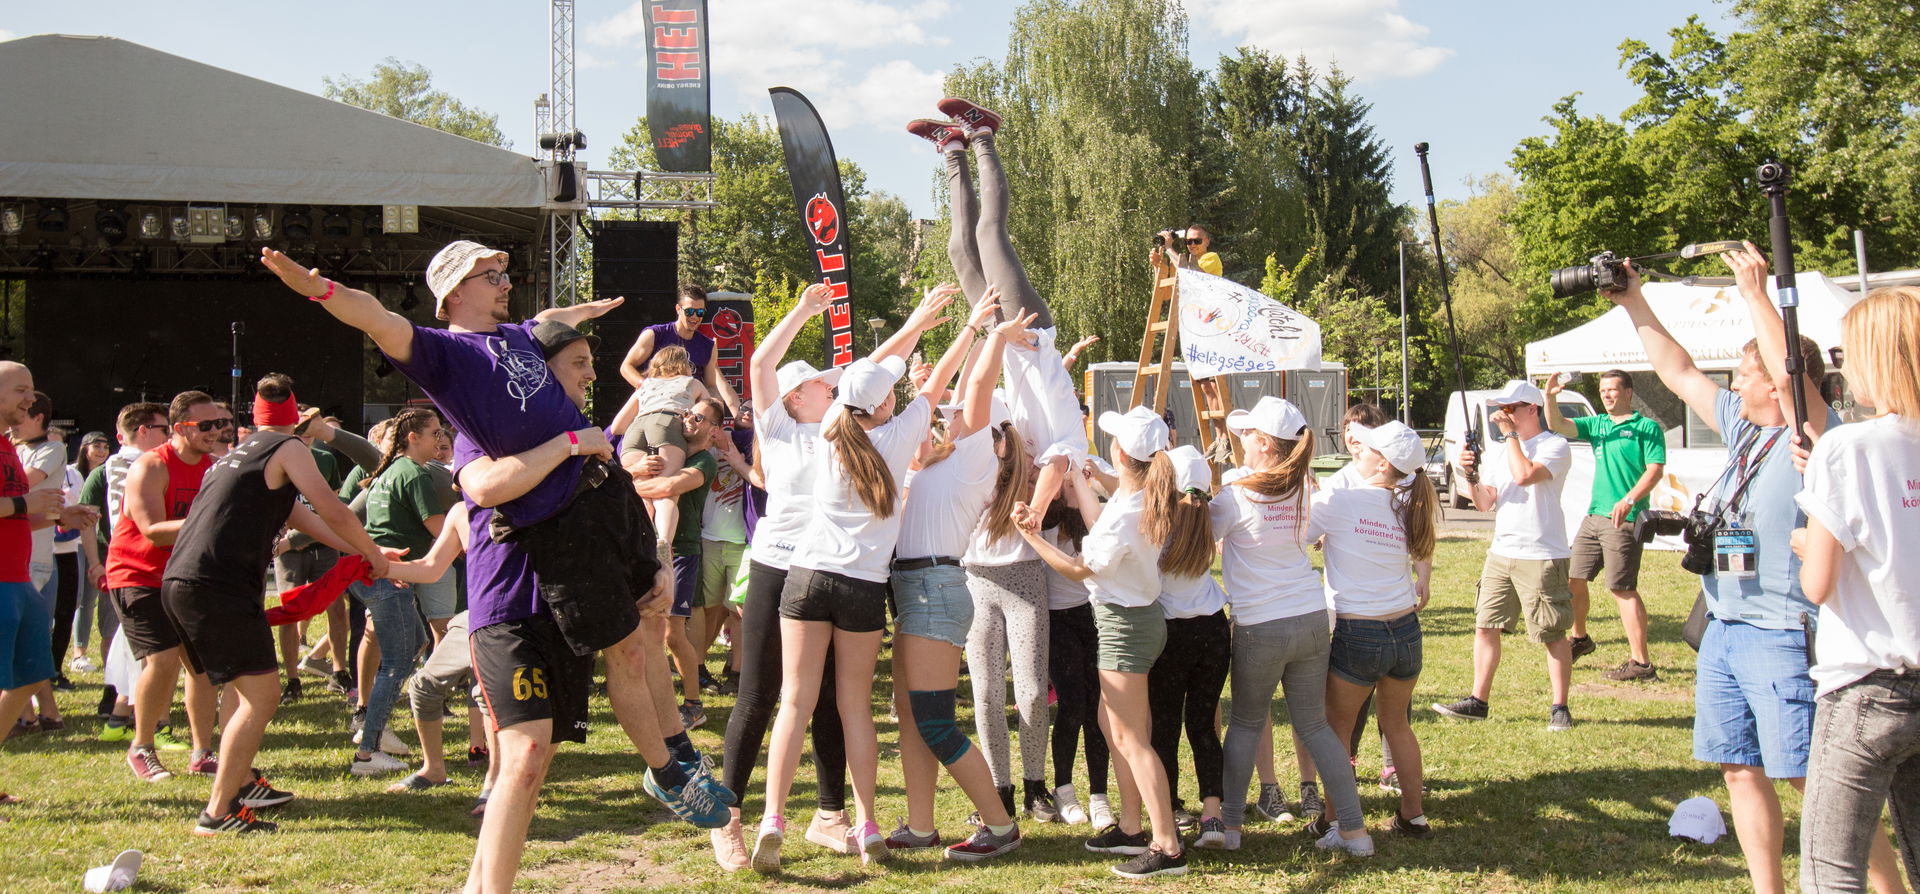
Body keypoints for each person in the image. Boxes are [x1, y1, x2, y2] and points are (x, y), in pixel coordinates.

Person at [261, 242, 728, 894]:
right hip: (528, 545)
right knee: (528, 753)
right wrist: (317, 288)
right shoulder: (443, 353)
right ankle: (659, 773)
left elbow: (555, 316)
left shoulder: (516, 337)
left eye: (507, 273)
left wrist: (590, 310)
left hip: (591, 510)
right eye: (492, 276)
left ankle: (669, 763)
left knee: (629, 647)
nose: (507, 284)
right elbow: (374, 317)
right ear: (453, 291)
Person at [1606, 250, 1891, 894]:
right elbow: (1676, 370)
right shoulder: (1742, 427)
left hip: (1783, 632)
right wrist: (1633, 302)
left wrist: (1754, 294)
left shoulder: (1818, 436)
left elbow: (1793, 384)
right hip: (1725, 630)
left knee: (1810, 777)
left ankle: (1887, 886)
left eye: (1746, 372)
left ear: (1784, 380)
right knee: (1738, 768)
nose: (1734, 383)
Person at [751, 284, 966, 871]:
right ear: (883, 406)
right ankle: (867, 821)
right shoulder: (896, 439)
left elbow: (879, 376)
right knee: (853, 707)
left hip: (805, 575)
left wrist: (914, 327)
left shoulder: (824, 433)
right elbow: (934, 381)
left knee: (793, 702)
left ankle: (772, 818)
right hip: (863, 588)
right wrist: (964, 332)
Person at [163, 389, 395, 834]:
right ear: (300, 428)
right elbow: (334, 509)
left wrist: (372, 552)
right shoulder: (286, 447)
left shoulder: (246, 455)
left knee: (242, 688)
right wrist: (374, 557)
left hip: (191, 583)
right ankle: (219, 812)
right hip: (217, 587)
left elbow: (315, 524)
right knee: (263, 695)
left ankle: (243, 784)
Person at [1015, 406, 1197, 879]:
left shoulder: (1131, 508)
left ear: (1122, 453)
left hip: (1124, 628)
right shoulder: (1139, 498)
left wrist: (1030, 536)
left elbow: (1078, 567)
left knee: (1132, 739)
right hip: (1137, 621)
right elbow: (1100, 528)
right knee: (1113, 723)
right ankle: (1133, 827)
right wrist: (1078, 480)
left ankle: (1166, 845)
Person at [710, 285, 855, 872]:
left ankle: (829, 816)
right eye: (822, 382)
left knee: (825, 698)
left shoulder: (838, 430)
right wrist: (802, 312)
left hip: (823, 570)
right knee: (759, 692)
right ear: (797, 396)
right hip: (775, 567)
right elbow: (760, 363)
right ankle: (728, 818)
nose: (832, 385)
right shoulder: (776, 426)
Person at [884, 298, 1033, 860]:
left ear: (992, 435)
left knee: (935, 721)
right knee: (912, 717)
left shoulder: (978, 459)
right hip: (916, 590)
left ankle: (999, 826)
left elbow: (976, 385)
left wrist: (992, 335)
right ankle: (920, 826)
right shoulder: (948, 460)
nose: (953, 415)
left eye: (965, 415)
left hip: (933, 592)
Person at [1792, 286, 1920, 893]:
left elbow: (1816, 583)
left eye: (1846, 353)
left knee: (1831, 869)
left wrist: (1808, 540)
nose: (1841, 366)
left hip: (1866, 686)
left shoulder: (1848, 447)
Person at [1209, 397, 1372, 857]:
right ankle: (1355, 832)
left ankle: (1234, 829)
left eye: (1245, 436)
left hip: (1261, 625)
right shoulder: (1303, 486)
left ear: (1264, 442)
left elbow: (1203, 533)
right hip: (1309, 617)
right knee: (1316, 727)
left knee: (1244, 724)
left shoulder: (1236, 491)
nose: (1238, 443)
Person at [1308, 420, 1436, 839]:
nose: (1356, 451)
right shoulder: (1410, 503)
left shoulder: (1341, 500)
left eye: (1365, 448)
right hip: (1405, 629)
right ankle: (1412, 815)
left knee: (1336, 731)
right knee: (1397, 724)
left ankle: (1333, 819)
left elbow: (1297, 534)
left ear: (1382, 463)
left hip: (1358, 631)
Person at [1432, 380, 1577, 731]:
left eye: (1511, 409)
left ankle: (1560, 707)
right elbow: (1485, 502)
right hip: (1502, 551)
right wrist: (1470, 474)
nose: (1504, 415)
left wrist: (1510, 437)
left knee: (1551, 632)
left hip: (1542, 552)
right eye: (1503, 409)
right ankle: (1478, 701)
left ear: (1533, 409)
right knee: (1485, 625)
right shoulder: (1502, 450)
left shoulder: (1555, 445)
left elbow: (1526, 476)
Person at [106, 391, 230, 781]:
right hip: (137, 574)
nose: (215, 432)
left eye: (220, 425)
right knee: (161, 661)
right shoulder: (150, 466)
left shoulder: (215, 468)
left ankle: (202, 753)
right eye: (205, 426)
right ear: (179, 428)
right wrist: (215, 521)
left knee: (202, 668)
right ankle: (142, 747)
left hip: (188, 577)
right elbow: (152, 531)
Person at [345, 406, 450, 776]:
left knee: (415, 643)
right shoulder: (415, 474)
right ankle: (369, 749)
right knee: (397, 661)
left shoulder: (389, 470)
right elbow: (440, 529)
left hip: (376, 573)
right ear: (413, 438)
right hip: (386, 576)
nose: (440, 440)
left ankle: (372, 731)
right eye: (434, 433)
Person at [1543, 369, 1667, 680]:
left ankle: (1641, 663)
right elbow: (1557, 424)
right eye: (1603, 390)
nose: (1607, 395)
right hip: (1595, 515)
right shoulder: (1598, 424)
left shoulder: (1647, 428)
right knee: (1574, 578)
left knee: (1622, 588)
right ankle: (1580, 639)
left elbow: (1654, 472)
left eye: (1613, 389)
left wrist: (1629, 499)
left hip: (1623, 519)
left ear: (1628, 392)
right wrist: (1549, 397)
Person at [0, 362, 96, 758]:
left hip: (19, 579)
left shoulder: (8, 446)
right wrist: (25, 502)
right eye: (22, 389)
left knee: (32, 674)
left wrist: (57, 518)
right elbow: (16, 505)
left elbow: (15, 516)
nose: (31, 398)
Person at [384, 500, 500, 813]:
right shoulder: (461, 512)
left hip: (513, 619)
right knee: (423, 685)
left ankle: (496, 781)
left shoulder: (534, 502)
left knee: (484, 693)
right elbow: (430, 568)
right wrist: (377, 565)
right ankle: (433, 770)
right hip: (475, 615)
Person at [1145, 445, 1231, 844]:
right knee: (1203, 725)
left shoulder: (1156, 523)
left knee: (1164, 727)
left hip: (1171, 633)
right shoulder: (1206, 514)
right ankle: (1213, 816)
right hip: (1213, 627)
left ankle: (1174, 810)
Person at [625, 396, 723, 731]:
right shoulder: (664, 450)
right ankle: (655, 701)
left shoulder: (704, 462)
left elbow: (667, 487)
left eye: (699, 418)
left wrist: (634, 482)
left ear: (714, 429)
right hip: (646, 549)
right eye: (689, 414)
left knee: (671, 632)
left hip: (680, 550)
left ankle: (693, 705)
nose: (690, 421)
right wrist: (633, 473)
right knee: (644, 627)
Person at [79, 402, 168, 737]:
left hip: (126, 565)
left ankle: (121, 716)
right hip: (137, 566)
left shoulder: (114, 465)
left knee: (134, 644)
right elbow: (90, 517)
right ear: (142, 431)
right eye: (163, 429)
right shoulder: (145, 465)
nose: (169, 436)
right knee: (147, 648)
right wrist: (94, 562)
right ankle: (151, 726)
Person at [10, 390, 77, 731]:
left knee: (20, 643)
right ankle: (44, 714)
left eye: (22, 412)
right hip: (18, 554)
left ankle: (28, 715)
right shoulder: (15, 447)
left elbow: (22, 484)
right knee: (28, 642)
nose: (13, 424)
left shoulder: (52, 448)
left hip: (32, 557)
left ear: (38, 418)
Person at [624, 345, 712, 555]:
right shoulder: (691, 382)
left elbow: (619, 425)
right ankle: (664, 542)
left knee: (642, 487)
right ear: (684, 364)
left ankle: (640, 543)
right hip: (666, 422)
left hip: (635, 429)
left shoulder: (645, 385)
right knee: (666, 492)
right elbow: (709, 408)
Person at [617, 283, 743, 419]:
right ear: (678, 309)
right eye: (689, 311)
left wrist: (716, 412)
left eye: (700, 312)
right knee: (611, 435)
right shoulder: (655, 334)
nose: (694, 317)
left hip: (688, 417)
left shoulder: (708, 346)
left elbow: (711, 386)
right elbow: (626, 367)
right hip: (652, 410)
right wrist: (647, 387)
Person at [66, 431, 111, 675]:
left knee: (92, 601)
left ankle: (86, 653)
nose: (102, 450)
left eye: (105, 446)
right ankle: (78, 654)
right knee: (81, 599)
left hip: (99, 544)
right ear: (84, 448)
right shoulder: (72, 473)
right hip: (76, 543)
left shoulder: (111, 472)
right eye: (97, 445)